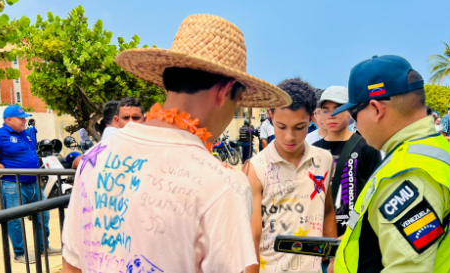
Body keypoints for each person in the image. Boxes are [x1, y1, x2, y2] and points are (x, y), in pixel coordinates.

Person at [62, 14, 291, 273]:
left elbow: (72, 263)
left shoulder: (96, 157)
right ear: (224, 92)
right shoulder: (224, 185)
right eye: (236, 102)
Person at [332, 55, 450, 273]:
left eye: (354, 114)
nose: (355, 124)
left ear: (376, 109)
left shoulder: (407, 173)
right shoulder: (431, 149)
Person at [244, 77, 336, 273]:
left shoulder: (324, 160)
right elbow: (252, 234)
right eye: (281, 126)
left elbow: (327, 210)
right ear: (270, 116)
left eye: (299, 127)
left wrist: (333, 260)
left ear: (311, 118)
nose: (289, 137)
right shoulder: (256, 168)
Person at [0, 105, 61, 264]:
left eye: (24, 117)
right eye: (21, 118)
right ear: (9, 120)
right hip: (13, 185)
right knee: (15, 221)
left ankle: (43, 247)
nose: (24, 121)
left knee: (44, 215)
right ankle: (20, 254)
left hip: (34, 184)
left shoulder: (24, 134)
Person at [313, 86, 381, 238]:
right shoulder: (312, 151)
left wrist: (352, 234)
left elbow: (376, 197)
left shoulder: (367, 147)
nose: (332, 115)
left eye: (338, 108)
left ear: (351, 112)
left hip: (356, 241)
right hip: (319, 241)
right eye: (326, 110)